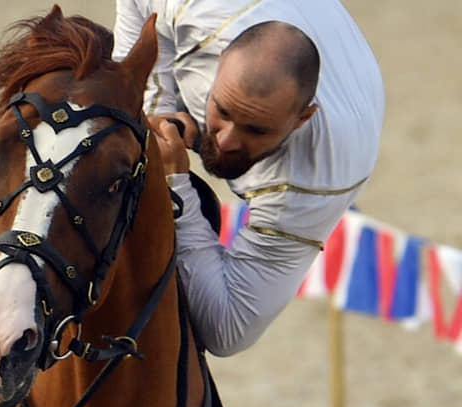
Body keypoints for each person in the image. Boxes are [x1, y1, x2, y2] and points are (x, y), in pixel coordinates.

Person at [112, 0, 385, 356]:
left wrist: (176, 187)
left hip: (343, 127)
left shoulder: (312, 182)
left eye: (256, 130)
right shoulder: (199, 12)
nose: (226, 141)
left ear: (302, 118)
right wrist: (158, 109)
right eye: (222, 111)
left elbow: (227, 331)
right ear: (221, 58)